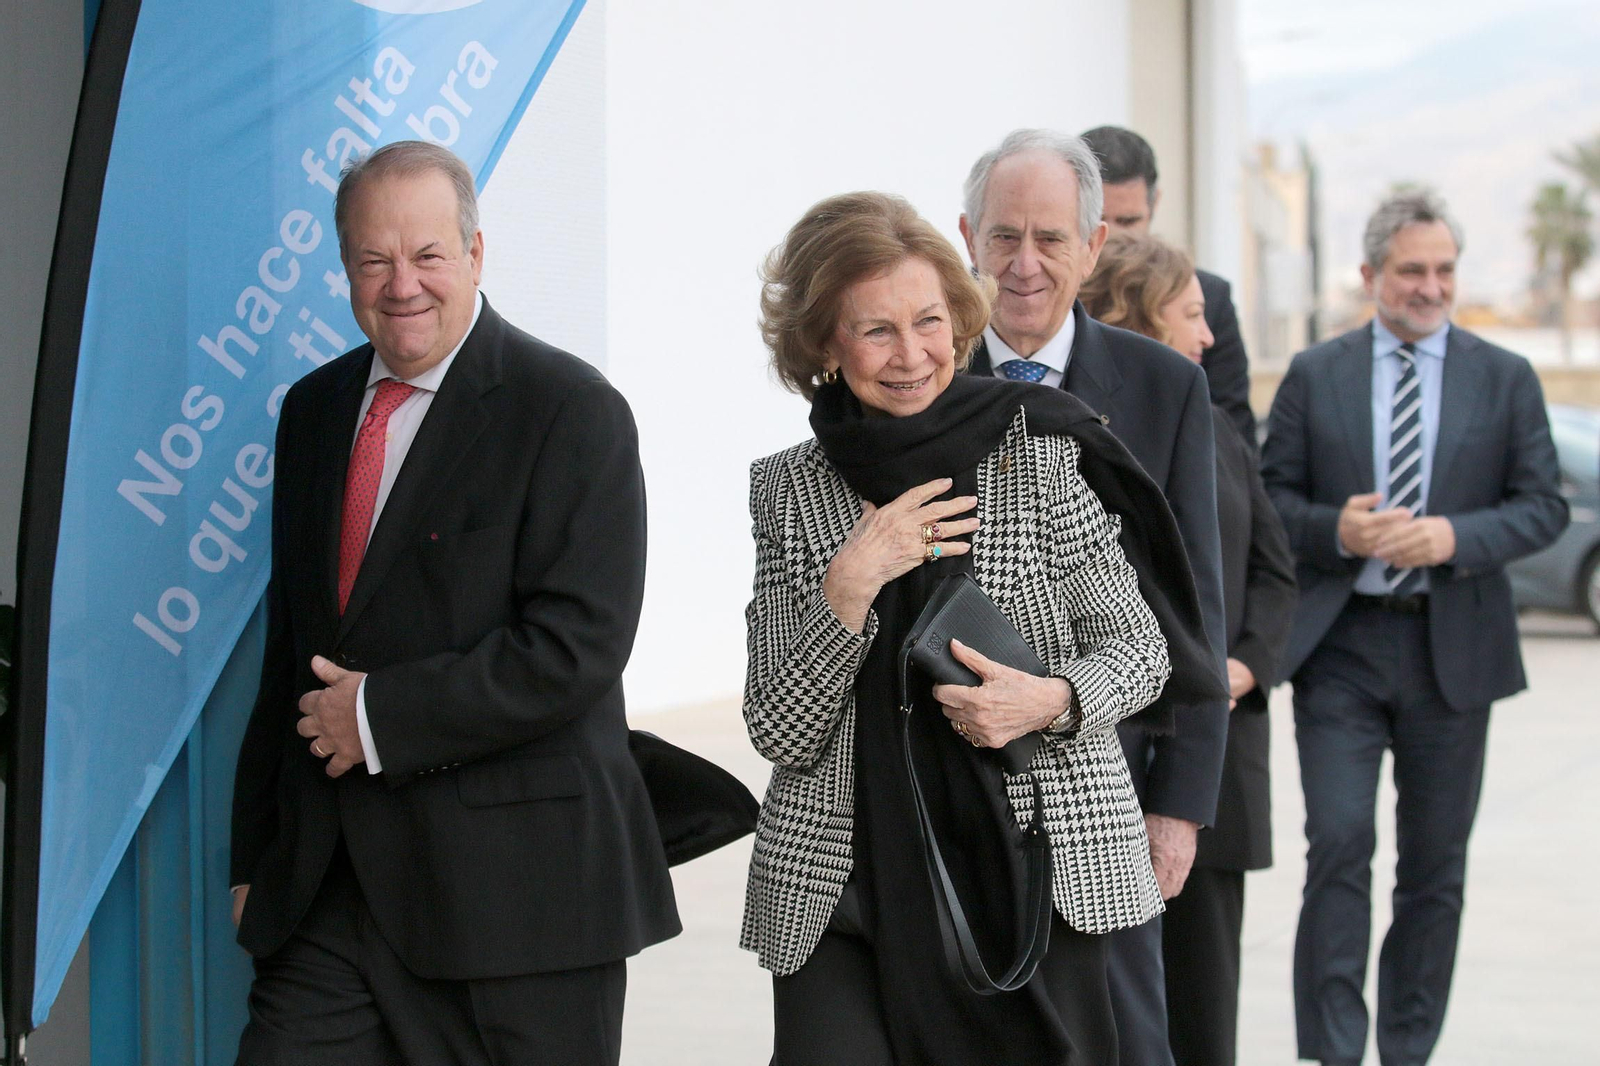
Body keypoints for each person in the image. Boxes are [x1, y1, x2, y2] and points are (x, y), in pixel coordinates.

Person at [742, 191, 1222, 1066]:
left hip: (1032, 868)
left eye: (928, 321)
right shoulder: (789, 490)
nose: (911, 354)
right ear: (823, 345)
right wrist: (847, 587)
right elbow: (779, 727)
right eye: (876, 330)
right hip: (847, 885)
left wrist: (1052, 699)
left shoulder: (1037, 455)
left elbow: (1141, 648)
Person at [228, 141, 679, 1065]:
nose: (403, 286)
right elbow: (290, 647)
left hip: (518, 902)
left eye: (428, 255)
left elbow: (576, 647)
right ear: (344, 267)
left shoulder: (572, 409)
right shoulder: (313, 411)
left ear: (475, 254)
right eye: (374, 260)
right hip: (329, 890)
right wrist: (253, 857)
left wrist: (378, 716)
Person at [1261, 189, 1568, 1066]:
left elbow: (1544, 506)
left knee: (1434, 869)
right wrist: (1337, 530)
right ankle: (1334, 1051)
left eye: (1444, 270)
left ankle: (1406, 1049)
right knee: (1339, 844)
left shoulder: (1503, 376)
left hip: (1453, 651)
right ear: (1370, 275)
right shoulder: (1315, 373)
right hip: (1342, 648)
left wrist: (1453, 538)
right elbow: (1270, 500)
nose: (1430, 287)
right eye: (1411, 271)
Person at [959, 128, 1230, 1066]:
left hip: (1118, 789)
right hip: (961, 791)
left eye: (1049, 238)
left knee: (1126, 1042)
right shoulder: (920, 377)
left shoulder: (1166, 388)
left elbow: (1194, 612)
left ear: (1093, 245)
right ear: (969, 238)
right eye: (1003, 237)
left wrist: (1180, 804)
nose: (1024, 264)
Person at [1082, 233, 1298, 1066]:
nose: (1208, 336)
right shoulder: (1075, 428)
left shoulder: (1220, 430)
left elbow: (1273, 572)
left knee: (1204, 1014)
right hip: (1105, 756)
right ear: (1139, 316)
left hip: (1213, 757)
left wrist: (1242, 667)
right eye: (1192, 313)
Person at [1080, 124, 1257, 448]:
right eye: (1098, 222)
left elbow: (1235, 442)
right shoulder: (1045, 298)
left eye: (1129, 221)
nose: (1110, 237)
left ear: (1155, 204)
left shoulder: (1211, 298)